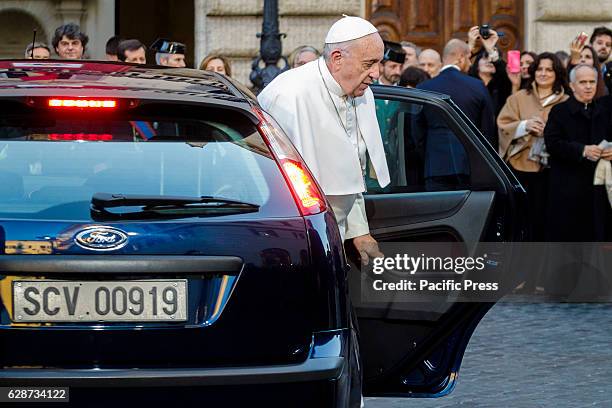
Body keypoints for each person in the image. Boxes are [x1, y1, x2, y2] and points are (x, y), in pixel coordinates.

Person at [258, 15, 390, 264]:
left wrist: (359, 231)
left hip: (334, 239)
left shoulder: (360, 93)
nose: (376, 73)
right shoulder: (288, 95)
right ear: (337, 58)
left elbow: (351, 173)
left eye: (378, 63)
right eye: (369, 63)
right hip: (292, 243)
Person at [497, 52, 569, 241]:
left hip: (551, 172)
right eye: (539, 69)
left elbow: (572, 134)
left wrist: (550, 131)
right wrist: (524, 125)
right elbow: (503, 124)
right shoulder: (519, 97)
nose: (543, 73)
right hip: (519, 168)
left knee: (544, 222)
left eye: (549, 69)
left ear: (557, 73)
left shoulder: (566, 101)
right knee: (519, 221)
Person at [545, 64, 612, 241]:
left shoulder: (605, 111)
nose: (589, 86)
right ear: (572, 85)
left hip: (597, 189)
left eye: (592, 82)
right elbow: (552, 143)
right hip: (567, 188)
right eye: (583, 82)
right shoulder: (559, 111)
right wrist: (582, 150)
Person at [418, 39, 496, 159]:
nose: (470, 64)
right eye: (469, 58)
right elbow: (487, 130)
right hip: (470, 163)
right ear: (461, 58)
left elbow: (417, 132)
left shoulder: (423, 87)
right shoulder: (477, 86)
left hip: (434, 164)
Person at [467, 26, 512, 117]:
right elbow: (456, 70)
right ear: (477, 64)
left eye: (491, 58)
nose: (489, 60)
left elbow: (504, 72)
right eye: (485, 57)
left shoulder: (501, 83)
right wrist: (470, 46)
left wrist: (491, 50)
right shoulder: (468, 81)